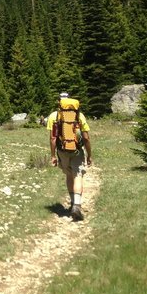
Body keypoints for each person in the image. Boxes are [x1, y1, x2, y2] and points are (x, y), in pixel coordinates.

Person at [47, 92, 93, 221]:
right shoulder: (80, 116)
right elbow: (86, 138)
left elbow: (53, 138)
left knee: (69, 175)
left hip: (62, 151)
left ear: (59, 103)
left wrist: (53, 155)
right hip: (77, 151)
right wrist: (89, 155)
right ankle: (77, 205)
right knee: (77, 175)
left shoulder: (54, 116)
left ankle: (73, 203)